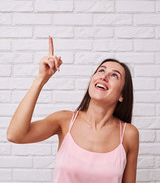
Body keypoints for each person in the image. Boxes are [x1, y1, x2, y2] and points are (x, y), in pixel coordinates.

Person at [7, 36, 139, 183]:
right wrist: (41, 79)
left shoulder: (128, 134)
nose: (104, 76)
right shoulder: (64, 121)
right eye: (101, 71)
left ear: (122, 95)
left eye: (114, 75)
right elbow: (15, 135)